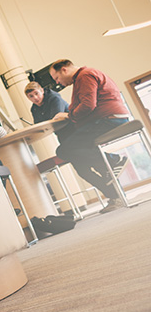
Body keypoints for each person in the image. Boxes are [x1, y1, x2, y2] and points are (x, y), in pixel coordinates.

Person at [49, 59, 130, 213]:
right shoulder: (81, 78)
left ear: (64, 70)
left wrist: (70, 116)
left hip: (109, 120)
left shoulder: (85, 75)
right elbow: (82, 105)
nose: (58, 83)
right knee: (80, 164)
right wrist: (71, 113)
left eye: (57, 78)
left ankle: (115, 160)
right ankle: (115, 195)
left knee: (64, 151)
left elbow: (88, 105)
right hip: (106, 119)